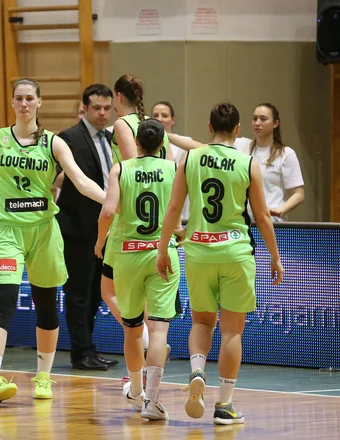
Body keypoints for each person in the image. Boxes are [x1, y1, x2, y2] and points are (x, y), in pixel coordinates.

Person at [0, 77, 106, 406]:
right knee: (3, 303)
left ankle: (44, 376)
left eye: (30, 98)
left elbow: (82, 182)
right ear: (12, 103)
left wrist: (113, 203)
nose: (24, 103)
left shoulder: (54, 144)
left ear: (39, 102)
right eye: (19, 98)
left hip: (44, 231)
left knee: (46, 304)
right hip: (7, 232)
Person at [156, 102, 284, 425]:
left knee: (201, 323)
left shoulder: (189, 158)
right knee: (231, 331)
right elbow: (263, 216)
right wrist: (275, 255)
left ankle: (197, 367)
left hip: (198, 250)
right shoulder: (248, 162)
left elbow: (173, 208)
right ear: (238, 130)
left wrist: (162, 249)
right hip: (235, 252)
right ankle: (224, 405)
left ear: (209, 126)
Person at [95, 119, 181, 420]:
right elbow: (183, 209)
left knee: (132, 330)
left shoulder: (121, 168)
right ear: (162, 143)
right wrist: (180, 233)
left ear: (136, 141)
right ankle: (152, 401)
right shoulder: (173, 168)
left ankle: (135, 390)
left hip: (128, 255)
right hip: (162, 253)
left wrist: (100, 240)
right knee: (159, 330)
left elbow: (108, 211)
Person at [57, 84, 119, 371]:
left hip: (106, 230)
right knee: (78, 293)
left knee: (97, 293)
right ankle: (80, 351)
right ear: (83, 107)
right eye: (97, 107)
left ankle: (89, 349)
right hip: (78, 230)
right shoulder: (67, 138)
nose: (103, 113)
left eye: (107, 108)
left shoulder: (111, 138)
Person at [168, 103, 304, 222]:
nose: (257, 123)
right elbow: (203, 148)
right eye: (255, 118)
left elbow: (298, 193)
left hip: (273, 223)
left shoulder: (286, 154)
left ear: (275, 123)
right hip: (246, 222)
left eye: (263, 119)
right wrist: (166, 135)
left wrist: (280, 209)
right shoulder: (241, 145)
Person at [151, 101, 191, 222]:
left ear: (173, 120)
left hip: (181, 209)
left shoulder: (185, 141)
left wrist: (165, 136)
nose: (160, 119)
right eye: (155, 116)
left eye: (164, 115)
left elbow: (202, 150)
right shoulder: (145, 146)